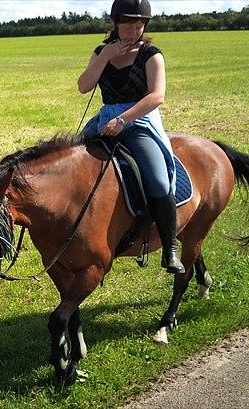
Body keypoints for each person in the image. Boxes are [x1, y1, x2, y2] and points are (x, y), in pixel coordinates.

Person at [77, 0, 184, 274]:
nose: (134, 28)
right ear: (115, 23)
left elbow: (156, 96)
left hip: (139, 120)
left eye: (140, 23)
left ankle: (170, 247)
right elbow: (83, 86)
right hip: (105, 119)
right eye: (128, 23)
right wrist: (104, 57)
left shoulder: (151, 54)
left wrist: (123, 120)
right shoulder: (101, 51)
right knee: (72, 160)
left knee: (158, 181)